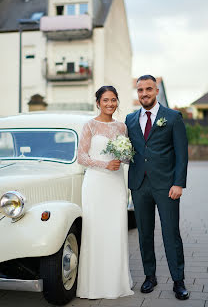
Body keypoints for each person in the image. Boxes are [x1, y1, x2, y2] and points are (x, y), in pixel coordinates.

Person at [125, 75, 189, 300]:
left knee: (171, 234)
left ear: (156, 90)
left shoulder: (172, 117)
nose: (144, 93)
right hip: (139, 186)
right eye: (140, 90)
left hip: (167, 186)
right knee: (144, 234)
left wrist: (179, 182)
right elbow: (129, 150)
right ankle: (149, 276)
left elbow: (182, 154)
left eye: (148, 89)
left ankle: (178, 280)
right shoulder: (130, 119)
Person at [76, 86, 134, 299]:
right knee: (95, 230)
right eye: (106, 100)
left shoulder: (122, 127)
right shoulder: (89, 125)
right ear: (98, 102)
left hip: (116, 183)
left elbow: (126, 158)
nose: (110, 104)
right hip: (96, 183)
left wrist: (124, 156)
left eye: (113, 100)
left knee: (116, 229)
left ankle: (115, 282)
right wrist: (104, 164)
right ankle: (94, 283)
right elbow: (81, 157)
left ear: (117, 101)